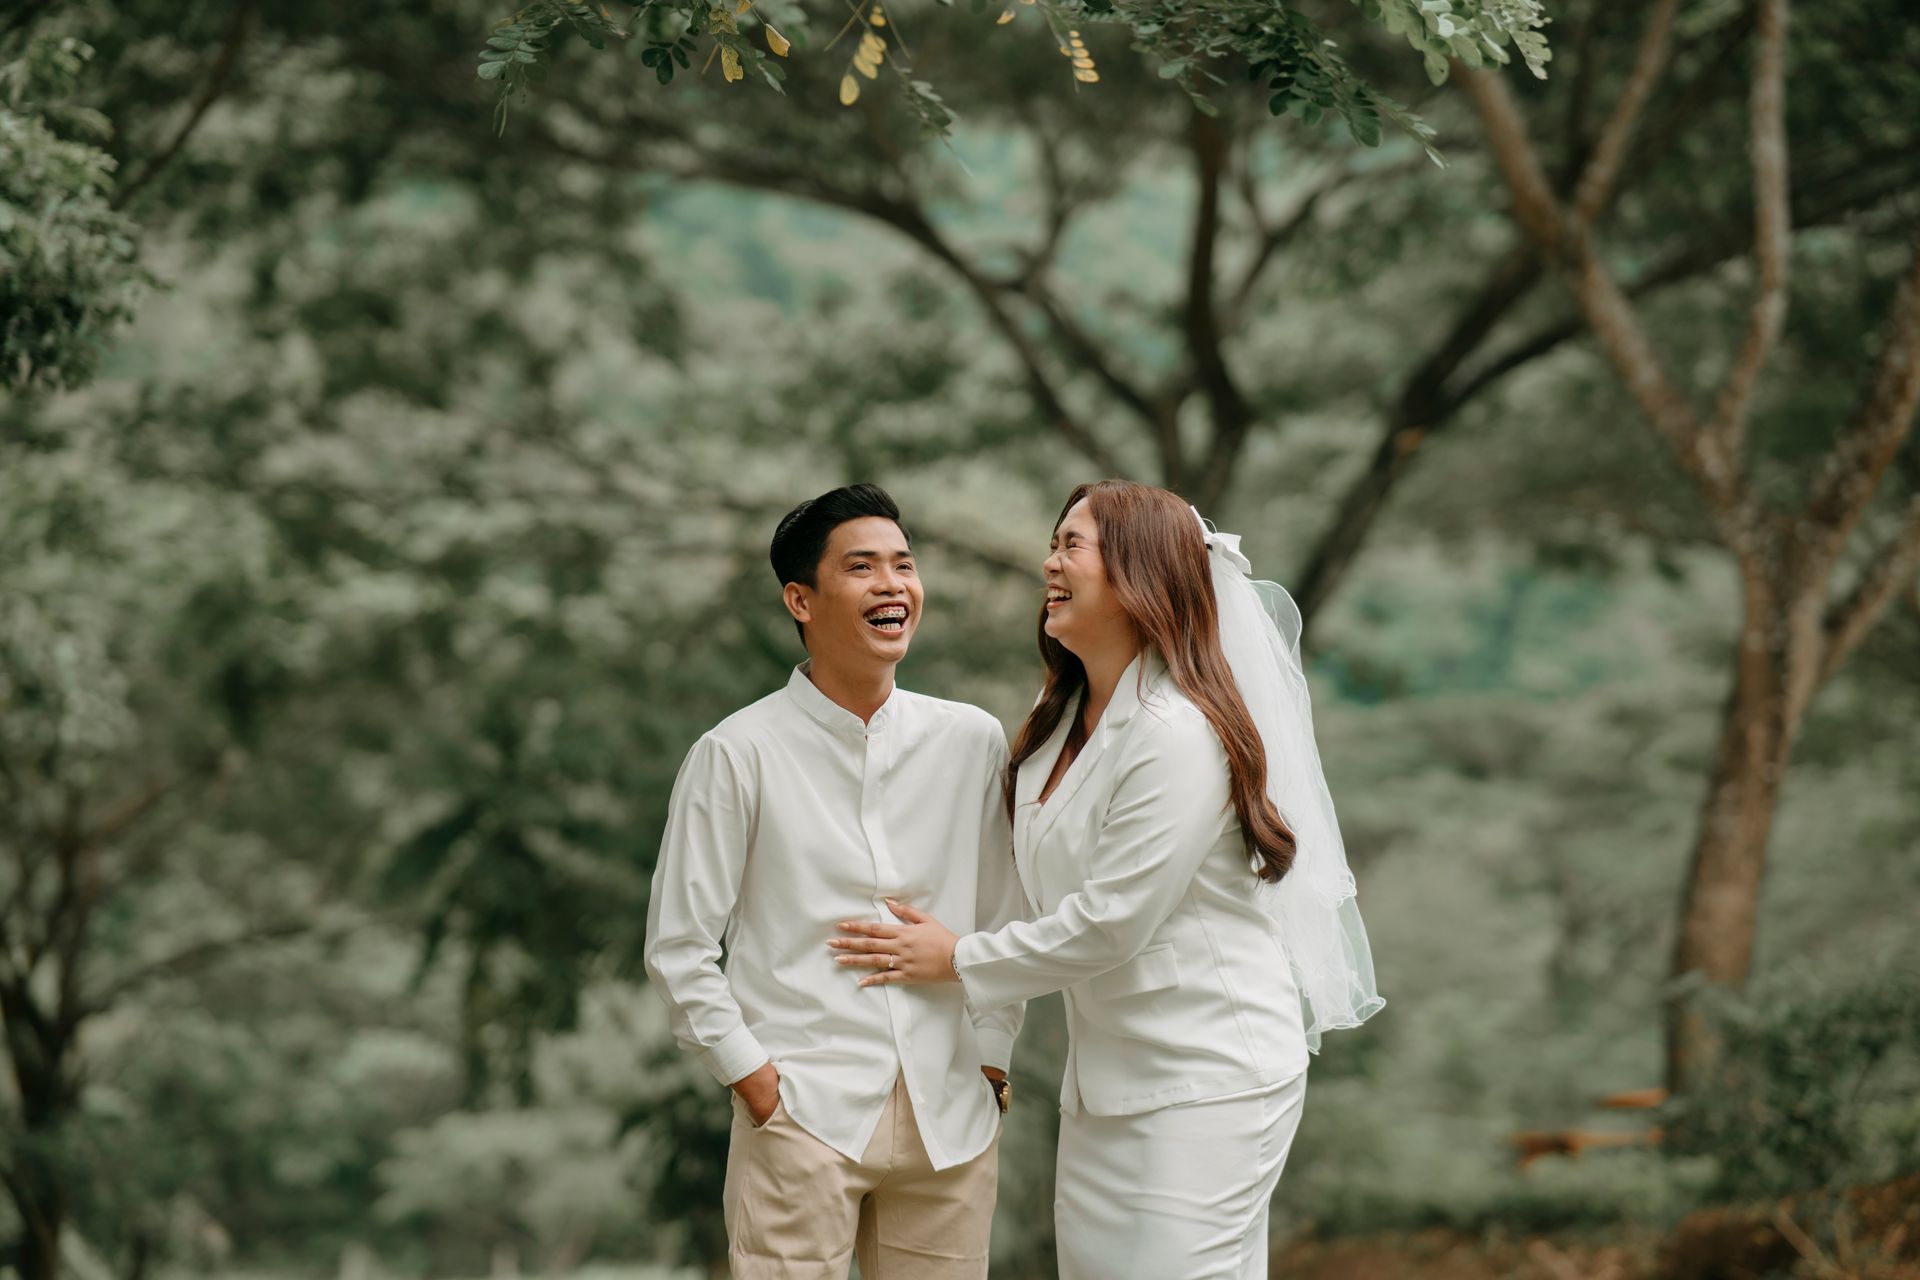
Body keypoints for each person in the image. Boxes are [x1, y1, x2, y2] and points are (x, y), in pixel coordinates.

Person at [829, 479, 1382, 1279]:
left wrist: (956, 958)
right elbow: (1026, 879)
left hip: (1209, 1078)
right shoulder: (1055, 723)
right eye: (1052, 545)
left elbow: (1113, 921)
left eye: (1071, 546)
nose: (1049, 563)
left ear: (1137, 573)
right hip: (1105, 1083)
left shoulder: (1179, 734)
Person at [644, 484, 1026, 1280]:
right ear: (801, 599)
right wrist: (757, 1084)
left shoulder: (972, 740)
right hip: (802, 1114)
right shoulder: (737, 753)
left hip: (952, 1117)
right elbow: (679, 948)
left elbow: (1002, 915)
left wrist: (991, 1060)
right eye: (862, 567)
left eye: (904, 565)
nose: (893, 585)